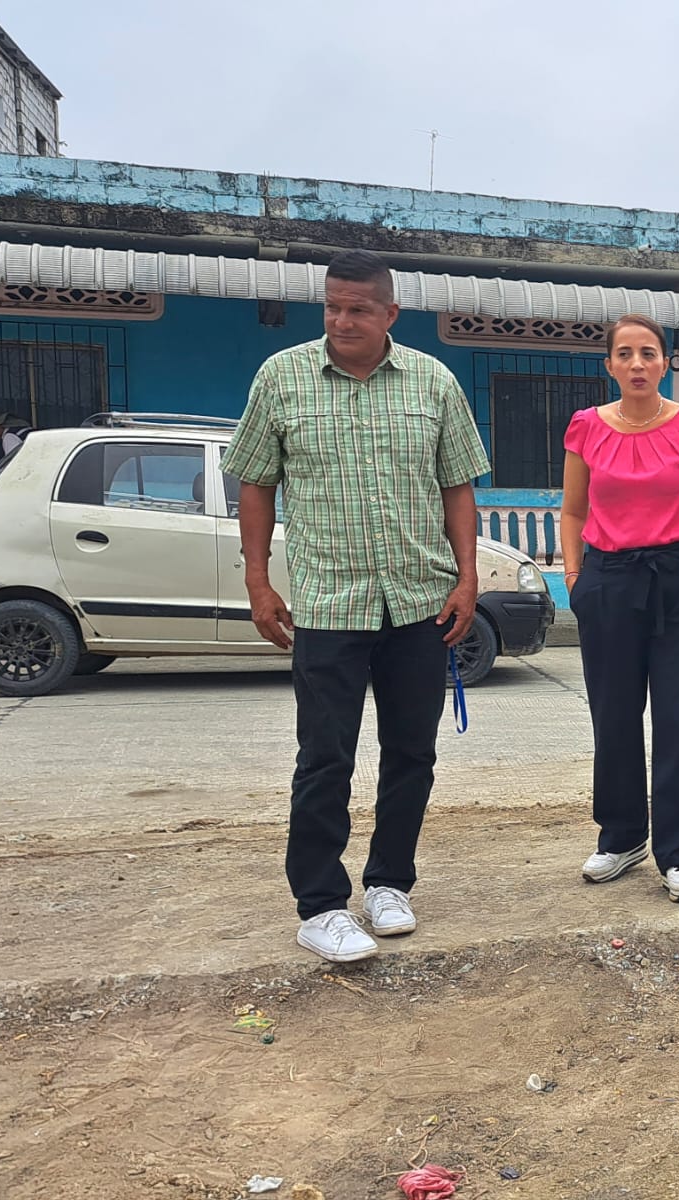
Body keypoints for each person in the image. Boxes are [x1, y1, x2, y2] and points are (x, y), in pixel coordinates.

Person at [222, 249, 490, 963]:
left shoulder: (433, 383)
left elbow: (458, 486)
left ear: (389, 313)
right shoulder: (281, 378)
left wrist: (467, 577)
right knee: (324, 757)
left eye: (358, 309)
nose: (342, 321)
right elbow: (255, 482)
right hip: (327, 605)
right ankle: (319, 906)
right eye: (332, 307)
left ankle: (389, 883)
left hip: (419, 602)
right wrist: (258, 582)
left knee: (412, 753)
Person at [560, 313, 679, 903]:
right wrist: (576, 578)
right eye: (626, 354)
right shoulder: (586, 427)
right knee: (613, 714)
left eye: (649, 353)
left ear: (665, 362)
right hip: (609, 580)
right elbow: (573, 511)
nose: (637, 364)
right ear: (609, 364)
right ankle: (622, 835)